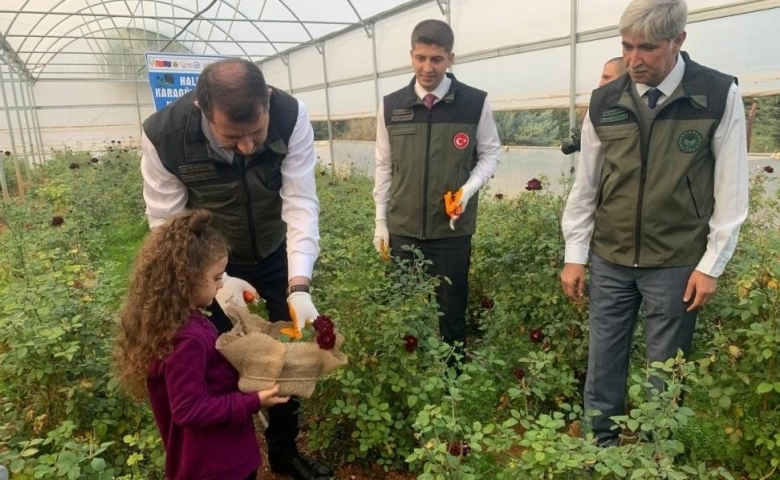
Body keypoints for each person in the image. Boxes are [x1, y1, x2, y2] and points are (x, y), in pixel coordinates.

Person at [560, 0, 748, 447]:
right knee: (604, 357)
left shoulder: (718, 94)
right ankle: (599, 448)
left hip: (677, 261)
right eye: (626, 47)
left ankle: (655, 455)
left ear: (678, 40)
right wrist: (575, 255)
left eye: (647, 48)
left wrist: (711, 264)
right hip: (611, 256)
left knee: (666, 365)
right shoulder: (605, 100)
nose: (634, 60)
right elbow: (585, 185)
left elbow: (732, 187)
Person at [140, 58, 332, 479]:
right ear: (202, 110)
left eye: (256, 134)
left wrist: (298, 285)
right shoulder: (165, 136)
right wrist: (216, 281)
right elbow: (166, 224)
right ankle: (228, 457)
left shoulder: (289, 116)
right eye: (232, 138)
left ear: (266, 100)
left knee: (286, 357)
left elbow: (300, 201)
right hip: (207, 265)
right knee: (214, 363)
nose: (247, 147)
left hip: (275, 252)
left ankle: (283, 452)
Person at [113, 209, 291, 480]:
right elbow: (189, 410)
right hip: (218, 465)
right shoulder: (187, 338)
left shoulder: (178, 321)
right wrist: (253, 401)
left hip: (210, 458)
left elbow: (205, 378)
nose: (221, 285)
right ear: (187, 277)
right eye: (217, 277)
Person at [372, 19, 501, 359]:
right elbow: (384, 166)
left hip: (451, 230)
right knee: (403, 311)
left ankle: (452, 381)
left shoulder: (474, 103)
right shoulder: (391, 105)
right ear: (411, 56)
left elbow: (490, 154)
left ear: (451, 58)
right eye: (421, 58)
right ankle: (407, 374)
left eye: (437, 59)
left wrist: (468, 189)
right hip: (404, 228)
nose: (427, 67)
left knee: (452, 312)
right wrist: (380, 223)